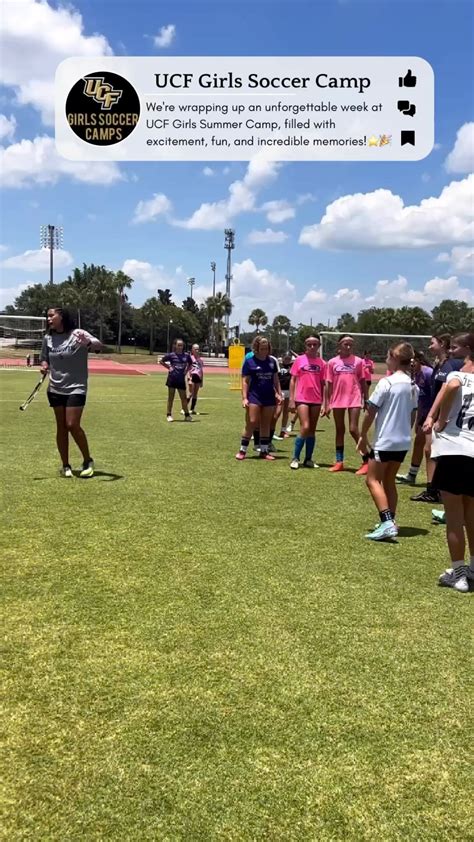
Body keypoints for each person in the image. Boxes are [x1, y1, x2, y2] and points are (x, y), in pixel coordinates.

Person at [358, 343, 419, 541]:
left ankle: (386, 522)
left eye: (387, 356)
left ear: (393, 358)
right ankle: (390, 520)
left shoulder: (387, 383)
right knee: (389, 480)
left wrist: (362, 434)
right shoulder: (412, 385)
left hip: (385, 441)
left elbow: (370, 412)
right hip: (402, 442)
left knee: (372, 480)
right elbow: (412, 415)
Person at [431, 333, 474, 593]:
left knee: (454, 518)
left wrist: (441, 418)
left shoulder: (457, 374)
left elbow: (453, 387)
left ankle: (458, 574)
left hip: (454, 449)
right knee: (472, 515)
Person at [40, 307, 101, 478]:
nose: (49, 319)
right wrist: (44, 365)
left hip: (76, 387)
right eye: (48, 316)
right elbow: (44, 357)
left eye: (52, 315)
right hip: (55, 388)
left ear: (62, 316)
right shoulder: (48, 338)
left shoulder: (78, 334)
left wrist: (87, 343)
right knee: (61, 427)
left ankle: (88, 460)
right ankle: (65, 465)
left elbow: (99, 346)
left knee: (72, 424)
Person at [411, 334, 464, 503]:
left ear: (442, 344)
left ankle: (436, 490)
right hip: (434, 415)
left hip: (446, 416)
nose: (429, 347)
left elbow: (449, 390)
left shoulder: (453, 365)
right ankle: (433, 489)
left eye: (432, 343)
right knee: (430, 451)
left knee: (435, 452)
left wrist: (438, 416)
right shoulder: (439, 365)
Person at [325, 335, 369, 474]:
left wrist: (366, 399)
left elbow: (363, 381)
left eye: (350, 344)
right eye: (345, 344)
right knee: (339, 429)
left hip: (354, 397)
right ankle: (339, 462)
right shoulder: (332, 362)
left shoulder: (359, 361)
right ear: (339, 345)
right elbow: (328, 383)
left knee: (353, 429)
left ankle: (367, 460)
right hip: (337, 399)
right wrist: (326, 403)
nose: (348, 346)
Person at [235, 336, 282, 461]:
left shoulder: (272, 362)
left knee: (266, 423)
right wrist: (244, 398)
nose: (264, 350)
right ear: (256, 347)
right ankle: (242, 450)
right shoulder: (250, 362)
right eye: (262, 348)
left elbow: (276, 380)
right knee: (252, 421)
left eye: (266, 348)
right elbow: (245, 381)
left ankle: (264, 451)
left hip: (269, 397)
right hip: (254, 396)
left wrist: (279, 393)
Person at [288, 336, 326, 469]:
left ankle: (308, 459)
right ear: (305, 345)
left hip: (316, 399)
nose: (312, 347)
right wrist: (292, 399)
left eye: (315, 344)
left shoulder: (322, 363)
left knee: (312, 430)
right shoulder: (299, 360)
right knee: (305, 426)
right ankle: (295, 458)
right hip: (302, 398)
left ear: (319, 346)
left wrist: (324, 403)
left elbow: (323, 384)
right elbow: (293, 380)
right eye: (309, 344)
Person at [396, 350, 433, 485]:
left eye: (413, 361)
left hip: (431, 415)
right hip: (422, 414)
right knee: (419, 443)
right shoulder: (414, 375)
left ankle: (432, 482)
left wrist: (431, 417)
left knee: (427, 447)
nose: (411, 364)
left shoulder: (428, 373)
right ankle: (412, 474)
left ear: (418, 360)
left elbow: (437, 396)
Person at [160, 339, 192, 422]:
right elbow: (161, 361)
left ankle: (187, 415)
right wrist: (169, 367)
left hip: (181, 380)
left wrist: (186, 371)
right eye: (179, 345)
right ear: (175, 346)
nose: (180, 347)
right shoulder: (171, 355)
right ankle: (169, 415)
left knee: (183, 398)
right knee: (171, 398)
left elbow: (190, 364)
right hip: (172, 378)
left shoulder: (186, 355)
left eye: (181, 345)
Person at [273, 351, 293, 440]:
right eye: (286, 358)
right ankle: (271, 430)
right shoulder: (278, 365)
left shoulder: (292, 366)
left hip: (289, 390)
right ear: (282, 357)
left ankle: (283, 430)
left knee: (286, 412)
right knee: (277, 412)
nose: (287, 360)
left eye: (289, 358)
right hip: (280, 391)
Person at [187, 343, 204, 415]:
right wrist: (188, 377)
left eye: (198, 349)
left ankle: (192, 409)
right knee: (190, 393)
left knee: (195, 394)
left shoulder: (200, 360)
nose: (197, 350)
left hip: (198, 377)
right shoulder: (190, 358)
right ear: (192, 350)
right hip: (192, 376)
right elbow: (187, 368)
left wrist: (202, 381)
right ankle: (183, 408)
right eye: (195, 349)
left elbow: (201, 370)